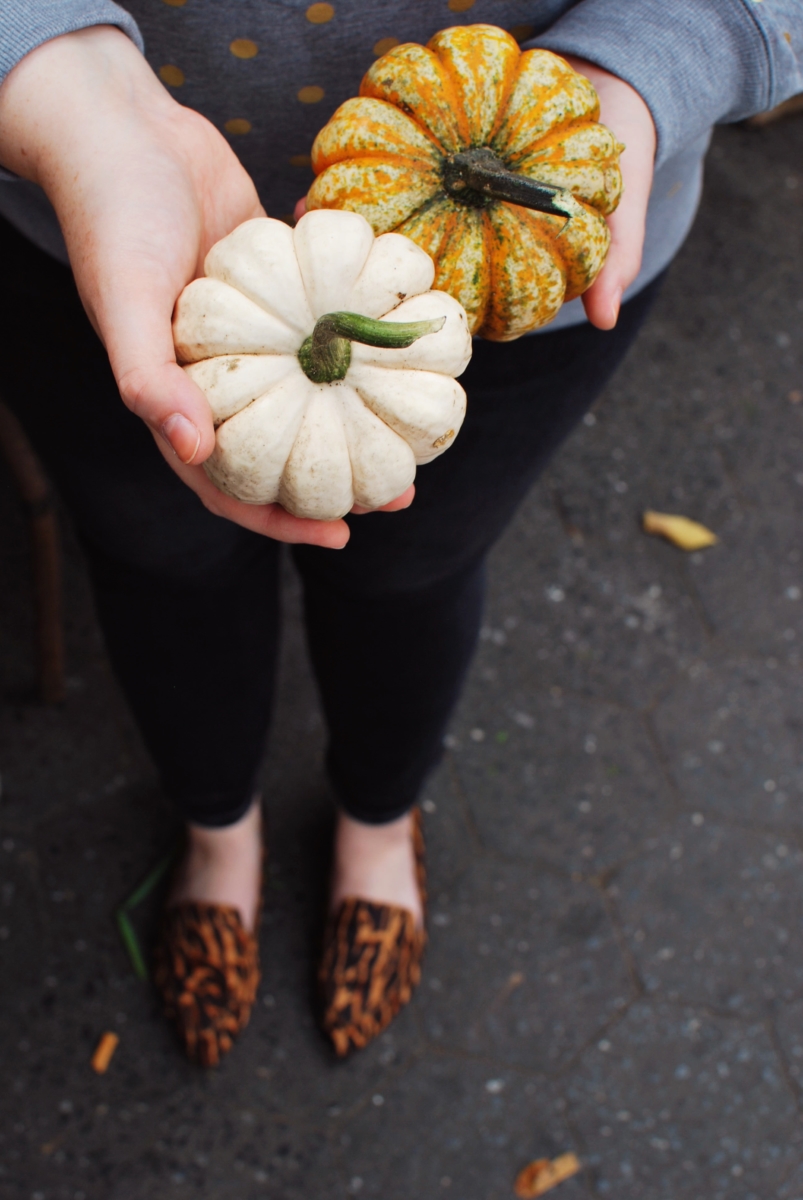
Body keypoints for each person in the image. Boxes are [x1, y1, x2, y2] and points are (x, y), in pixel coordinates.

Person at [0, 1, 799, 1067]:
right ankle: (213, 827)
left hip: (518, 265)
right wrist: (57, 79)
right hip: (82, 198)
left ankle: (376, 822)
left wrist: (667, 51)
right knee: (159, 559)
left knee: (412, 568)